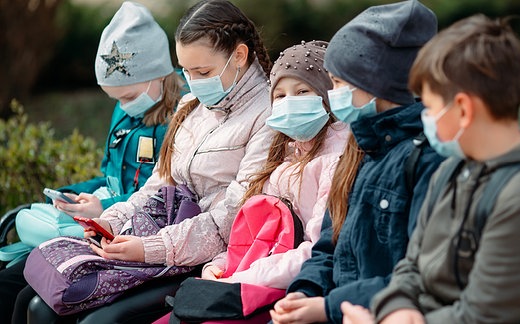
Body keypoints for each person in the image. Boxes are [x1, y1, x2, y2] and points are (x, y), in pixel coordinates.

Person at [21, 0, 275, 323]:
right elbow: (159, 183)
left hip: (203, 258)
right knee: (38, 304)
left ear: (239, 56)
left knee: (97, 320)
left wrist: (147, 249)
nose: (194, 83)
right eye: (186, 71)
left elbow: (229, 222)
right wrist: (111, 222)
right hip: (154, 240)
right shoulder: (191, 105)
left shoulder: (265, 117)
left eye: (203, 72)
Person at [366, 14, 520, 323]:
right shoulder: (449, 170)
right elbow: (411, 266)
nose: (426, 117)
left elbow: (485, 315)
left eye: (431, 106)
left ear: (463, 109)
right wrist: (396, 309)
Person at [0, 1, 182, 322]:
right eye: (115, 100)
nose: (123, 107)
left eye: (127, 97)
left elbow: (167, 196)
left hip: (132, 241)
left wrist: (104, 208)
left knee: (31, 295)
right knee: (11, 280)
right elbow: (108, 175)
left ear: (159, 75)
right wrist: (70, 194)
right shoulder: (128, 109)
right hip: (99, 227)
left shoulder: (179, 122)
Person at [269, 1, 445, 323]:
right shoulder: (360, 148)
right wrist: (304, 291)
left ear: (378, 84)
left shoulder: (428, 159)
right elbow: (328, 245)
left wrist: (327, 308)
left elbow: (422, 276)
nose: (333, 95)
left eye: (338, 83)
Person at [153, 40, 349, 324]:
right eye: (280, 96)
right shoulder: (282, 156)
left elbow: (316, 249)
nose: (289, 102)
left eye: (303, 91)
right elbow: (252, 233)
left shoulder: (334, 161)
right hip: (248, 277)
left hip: (286, 288)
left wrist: (243, 277)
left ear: (328, 96)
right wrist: (219, 266)